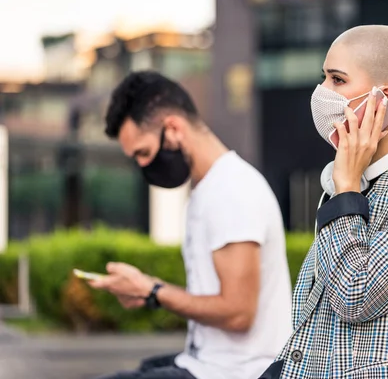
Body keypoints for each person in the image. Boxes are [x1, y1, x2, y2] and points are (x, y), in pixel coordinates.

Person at [259, 25, 388, 379]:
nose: (321, 92)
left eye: (337, 80)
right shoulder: (350, 181)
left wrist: (346, 191)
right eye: (323, 77)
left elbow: (355, 297)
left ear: (382, 99)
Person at [91, 71, 293, 379]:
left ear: (172, 129)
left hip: (240, 372)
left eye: (144, 153)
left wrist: (153, 290)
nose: (143, 166)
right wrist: (148, 291)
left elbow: (239, 312)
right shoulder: (208, 189)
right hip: (206, 363)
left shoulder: (232, 190)